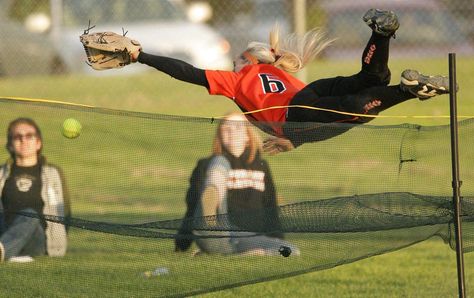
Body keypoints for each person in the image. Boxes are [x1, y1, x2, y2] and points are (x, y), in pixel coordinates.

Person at [131, 9, 455, 154]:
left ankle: (407, 91)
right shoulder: (274, 69)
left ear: (248, 60)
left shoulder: (237, 79)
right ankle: (381, 34)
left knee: (356, 108)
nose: (232, 63)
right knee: (371, 79)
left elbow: (185, 71)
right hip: (310, 95)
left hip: (297, 115)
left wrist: (141, 56)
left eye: (237, 58)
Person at [175, 113, 299, 256]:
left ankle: (233, 254)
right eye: (226, 128)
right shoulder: (205, 165)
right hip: (216, 231)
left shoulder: (261, 166)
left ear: (248, 136)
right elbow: (193, 206)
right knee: (219, 162)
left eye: (238, 127)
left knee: (291, 251)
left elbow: (270, 207)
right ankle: (214, 187)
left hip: (250, 239)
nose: (232, 131)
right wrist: (181, 245)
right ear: (220, 136)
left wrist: (276, 240)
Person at [0, 118, 71, 262]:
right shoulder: (1, 173)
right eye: (17, 136)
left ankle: (3, 250)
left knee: (29, 215)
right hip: (5, 234)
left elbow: (65, 212)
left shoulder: (53, 173)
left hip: (38, 240)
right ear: (10, 145)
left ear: (38, 142)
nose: (23, 140)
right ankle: (8, 250)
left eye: (29, 136)